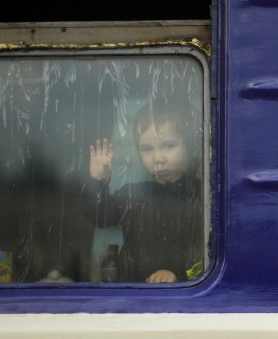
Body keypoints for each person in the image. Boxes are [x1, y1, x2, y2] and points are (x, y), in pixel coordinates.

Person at [87, 99, 204, 283]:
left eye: (168, 145)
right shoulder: (135, 194)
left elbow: (206, 255)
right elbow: (100, 217)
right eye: (147, 149)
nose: (158, 158)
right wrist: (100, 180)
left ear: (191, 145)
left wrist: (180, 275)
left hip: (179, 299)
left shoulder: (202, 196)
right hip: (132, 293)